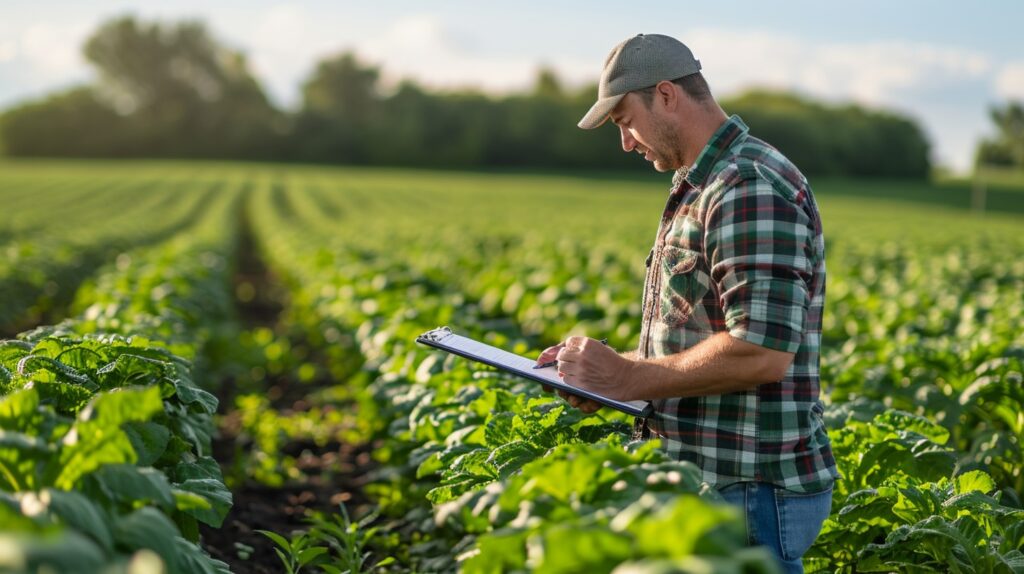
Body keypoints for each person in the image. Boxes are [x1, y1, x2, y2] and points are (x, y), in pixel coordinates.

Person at [535, 33, 839, 573]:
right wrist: (609, 373)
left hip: (748, 491)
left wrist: (627, 380)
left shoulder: (746, 185)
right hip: (718, 483)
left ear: (668, 95)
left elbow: (760, 352)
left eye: (625, 120)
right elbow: (704, 335)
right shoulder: (702, 183)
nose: (626, 142)